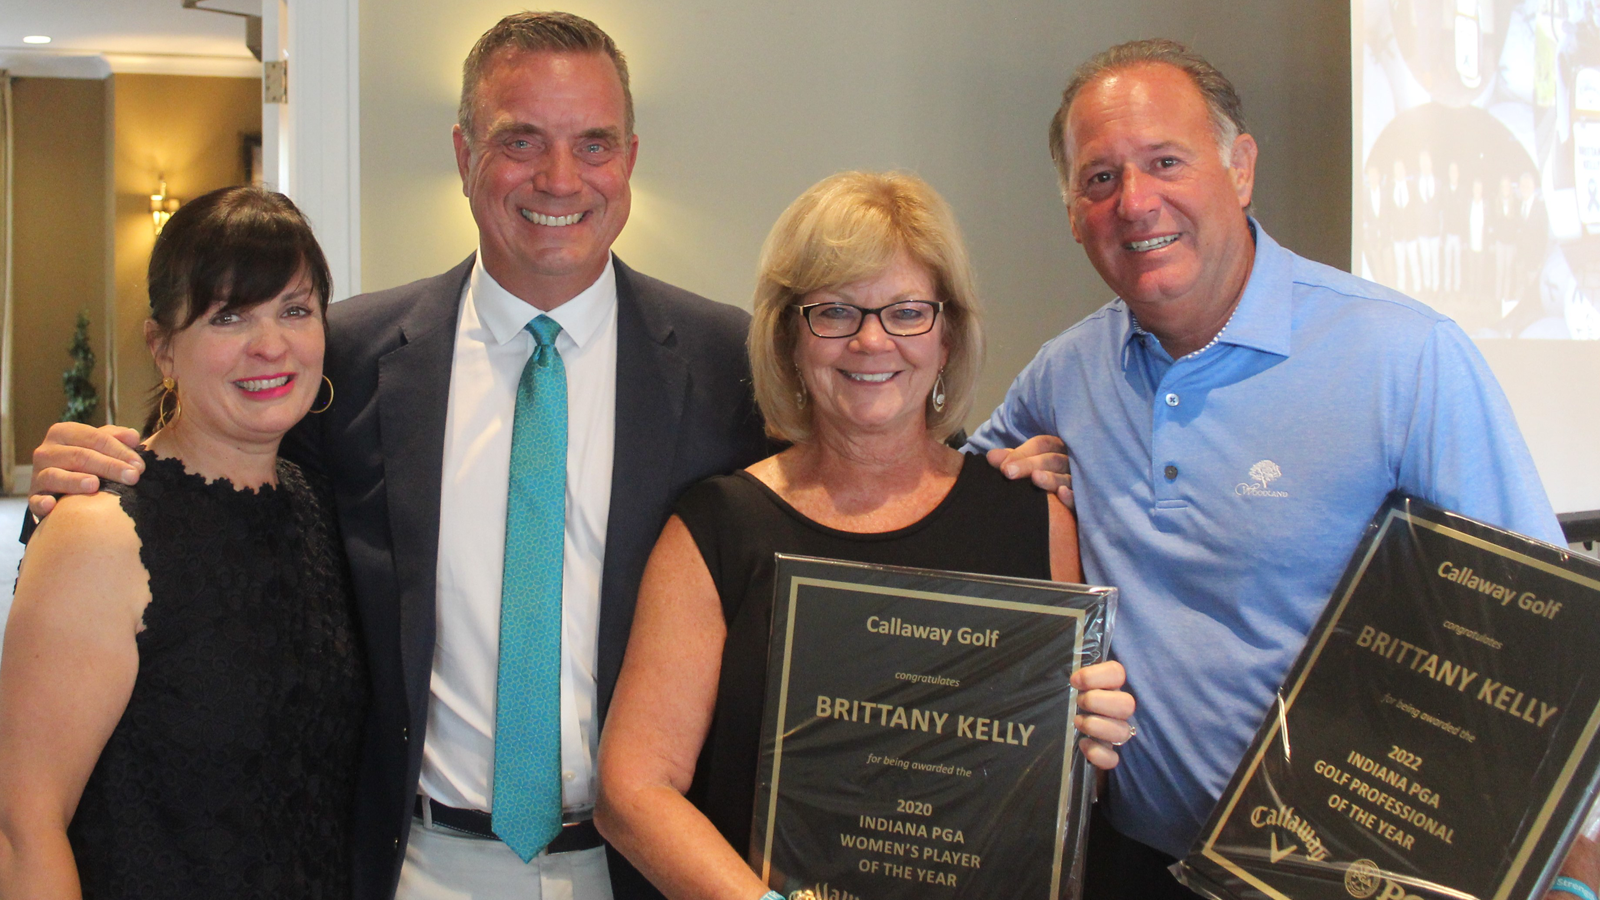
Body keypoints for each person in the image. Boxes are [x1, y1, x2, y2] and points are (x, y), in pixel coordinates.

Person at [23, 12, 767, 900]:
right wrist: (91, 463)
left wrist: (982, 476)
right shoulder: (348, 354)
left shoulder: (739, 369)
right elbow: (211, 465)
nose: (560, 176)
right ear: (464, 156)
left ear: (631, 160)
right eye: (520, 139)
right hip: (409, 866)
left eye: (594, 144)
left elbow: (860, 493)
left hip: (644, 868)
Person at [971, 39, 1578, 899]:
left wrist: (1572, 866)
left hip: (1350, 877)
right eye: (1099, 178)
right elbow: (953, 501)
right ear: (1072, 211)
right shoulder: (1067, 373)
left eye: (1165, 161)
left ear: (1241, 167)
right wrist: (1006, 474)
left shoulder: (1406, 358)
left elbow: (1536, 638)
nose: (1136, 202)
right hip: (1132, 864)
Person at [592, 170, 1134, 900]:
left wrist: (1093, 749)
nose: (872, 340)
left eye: (907, 311)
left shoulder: (1035, 521)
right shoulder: (718, 528)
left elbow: (1056, 794)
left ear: (946, 336)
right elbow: (633, 794)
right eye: (836, 312)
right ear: (789, 336)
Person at [0, 186, 366, 898]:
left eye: (295, 310)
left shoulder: (318, 507)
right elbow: (22, 828)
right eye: (228, 316)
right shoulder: (100, 532)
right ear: (163, 348)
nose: (271, 344)